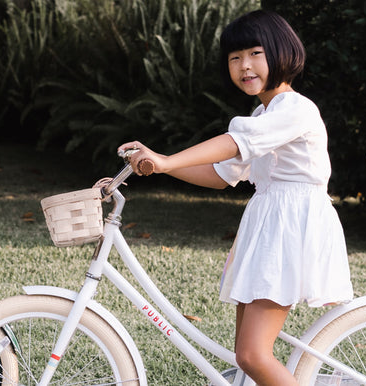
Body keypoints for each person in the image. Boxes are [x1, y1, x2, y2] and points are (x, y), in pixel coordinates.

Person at [118, 10, 353, 385]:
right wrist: (162, 165)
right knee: (248, 357)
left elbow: (233, 142)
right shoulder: (263, 113)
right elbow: (219, 173)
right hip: (269, 225)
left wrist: (166, 160)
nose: (244, 66)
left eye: (254, 53)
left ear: (281, 52)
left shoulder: (295, 109)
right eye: (234, 58)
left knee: (252, 355)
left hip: (290, 228)